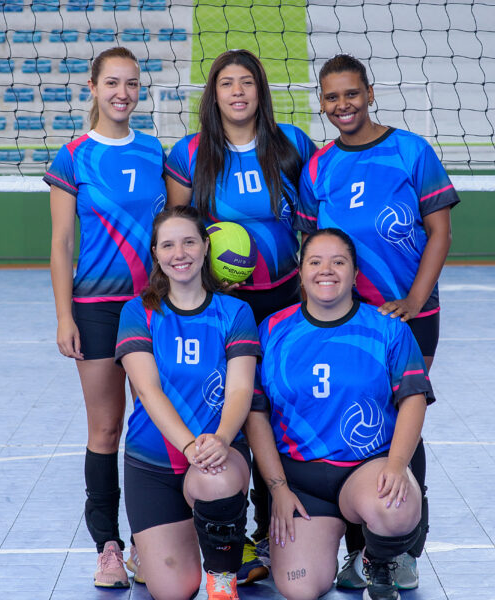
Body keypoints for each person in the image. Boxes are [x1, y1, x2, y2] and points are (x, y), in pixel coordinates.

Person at [295, 53, 460, 589]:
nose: (342, 104)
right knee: (352, 422)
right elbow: (312, 246)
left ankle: (403, 550)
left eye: (351, 93)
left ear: (369, 93)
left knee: (402, 421)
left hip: (408, 316)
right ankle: (362, 552)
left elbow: (440, 232)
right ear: (322, 103)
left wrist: (413, 299)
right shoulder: (318, 166)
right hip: (344, 321)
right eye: (332, 97)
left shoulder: (411, 151)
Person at [165, 49, 317, 572]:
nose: (237, 91)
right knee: (230, 408)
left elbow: (313, 222)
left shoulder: (291, 143)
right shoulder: (190, 153)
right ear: (213, 94)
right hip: (226, 305)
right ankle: (231, 535)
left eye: (247, 82)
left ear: (261, 90)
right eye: (226, 83)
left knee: (277, 408)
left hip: (285, 298)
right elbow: (180, 229)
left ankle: (274, 527)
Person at [245, 229, 435, 600]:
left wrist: (397, 466)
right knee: (300, 587)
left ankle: (375, 559)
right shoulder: (271, 330)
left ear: (355, 273)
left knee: (394, 507)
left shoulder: (387, 328)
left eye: (338, 262)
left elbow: (413, 399)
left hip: (365, 468)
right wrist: (277, 490)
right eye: (315, 262)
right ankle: (335, 550)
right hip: (301, 481)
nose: (326, 270)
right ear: (301, 273)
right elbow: (256, 414)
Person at [44, 46, 167, 587]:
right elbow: (61, 243)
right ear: (92, 87)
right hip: (95, 307)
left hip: (151, 307)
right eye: (112, 83)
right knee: (107, 427)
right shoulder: (73, 156)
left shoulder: (154, 150)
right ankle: (108, 548)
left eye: (132, 84)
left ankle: (147, 539)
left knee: (153, 423)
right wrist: (63, 316)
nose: (123, 93)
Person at [114, 206, 261, 600]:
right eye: (168, 245)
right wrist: (189, 446)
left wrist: (221, 439)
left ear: (206, 246)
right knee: (174, 590)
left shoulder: (235, 312)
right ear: (156, 253)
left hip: (218, 453)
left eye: (189, 242)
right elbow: (148, 391)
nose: (179, 253)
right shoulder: (138, 312)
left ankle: (222, 577)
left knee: (216, 479)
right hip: (154, 460)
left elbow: (240, 390)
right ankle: (178, 545)